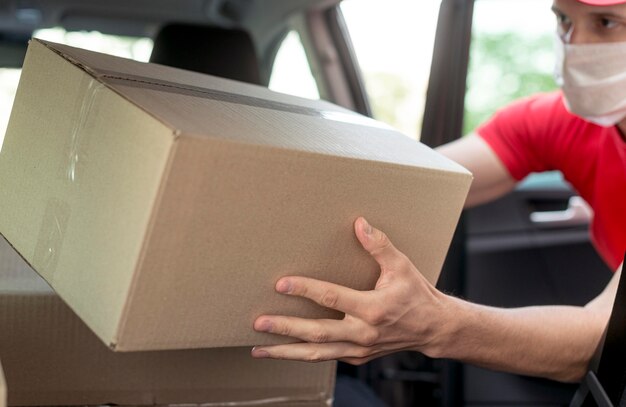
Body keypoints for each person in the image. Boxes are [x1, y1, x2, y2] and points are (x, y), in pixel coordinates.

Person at [251, 0, 626, 383]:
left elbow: (608, 337)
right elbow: (414, 184)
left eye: (607, 22)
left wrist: (437, 324)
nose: (574, 42)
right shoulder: (560, 122)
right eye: (563, 18)